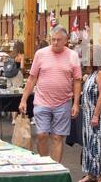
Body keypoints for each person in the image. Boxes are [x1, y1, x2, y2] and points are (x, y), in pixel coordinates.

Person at [19, 26, 82, 163]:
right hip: (42, 101)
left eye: (59, 40)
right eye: (53, 39)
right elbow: (32, 79)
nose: (55, 42)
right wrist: (23, 100)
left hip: (64, 102)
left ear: (66, 40)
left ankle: (55, 169)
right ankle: (44, 165)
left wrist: (76, 103)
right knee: (41, 134)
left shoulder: (73, 56)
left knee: (57, 137)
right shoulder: (40, 54)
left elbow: (77, 81)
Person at [78, 52, 101, 182]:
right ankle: (91, 173)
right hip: (88, 114)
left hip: (98, 115)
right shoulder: (94, 72)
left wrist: (96, 115)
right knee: (88, 143)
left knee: (98, 143)